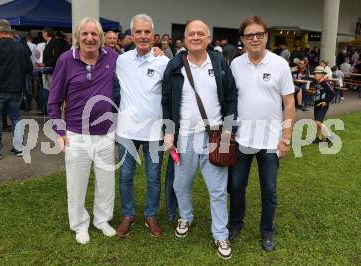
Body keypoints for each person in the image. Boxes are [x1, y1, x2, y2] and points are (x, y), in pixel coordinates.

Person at [162, 19, 237, 260]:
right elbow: (166, 100)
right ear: (185, 39)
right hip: (184, 137)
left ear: (208, 38)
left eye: (200, 34)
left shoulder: (219, 63)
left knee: (217, 190)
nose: (195, 37)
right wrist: (169, 131)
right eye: (191, 34)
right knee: (180, 185)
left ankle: (220, 234)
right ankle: (186, 216)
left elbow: (231, 96)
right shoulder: (174, 66)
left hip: (215, 135)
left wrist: (228, 128)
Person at [47, 17, 119, 245]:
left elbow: (138, 60)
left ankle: (102, 220)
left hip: (106, 133)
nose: (89, 38)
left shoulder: (113, 58)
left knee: (106, 182)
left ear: (101, 38)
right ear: (78, 37)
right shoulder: (66, 60)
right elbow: (53, 101)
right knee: (76, 184)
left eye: (94, 34)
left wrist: (156, 52)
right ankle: (79, 224)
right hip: (76, 134)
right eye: (85, 34)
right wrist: (60, 132)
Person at [228, 16, 295, 252]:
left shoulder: (280, 65)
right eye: (249, 35)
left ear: (266, 36)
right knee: (236, 187)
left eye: (259, 34)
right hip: (242, 139)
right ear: (243, 39)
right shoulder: (235, 64)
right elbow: (230, 99)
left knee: (269, 189)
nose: (254, 39)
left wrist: (286, 138)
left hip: (270, 141)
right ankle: (235, 224)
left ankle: (267, 230)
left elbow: (289, 104)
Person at [114, 14, 169, 239]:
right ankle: (128, 215)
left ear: (153, 35)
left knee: (153, 176)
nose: (143, 36)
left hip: (155, 131)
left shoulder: (163, 62)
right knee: (126, 175)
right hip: (127, 131)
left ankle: (151, 215)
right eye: (139, 32)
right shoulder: (121, 60)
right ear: (132, 35)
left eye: (147, 32)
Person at [0, 19, 32, 160]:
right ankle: (19, 148)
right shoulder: (20, 47)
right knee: (16, 118)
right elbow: (29, 68)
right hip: (16, 90)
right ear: (9, 30)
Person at [311, 66, 335, 143]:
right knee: (318, 122)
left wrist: (326, 102)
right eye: (315, 73)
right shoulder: (316, 82)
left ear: (322, 74)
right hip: (316, 103)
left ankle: (330, 137)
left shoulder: (326, 83)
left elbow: (332, 93)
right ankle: (319, 138)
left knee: (318, 122)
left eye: (318, 73)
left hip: (323, 104)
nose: (316, 75)